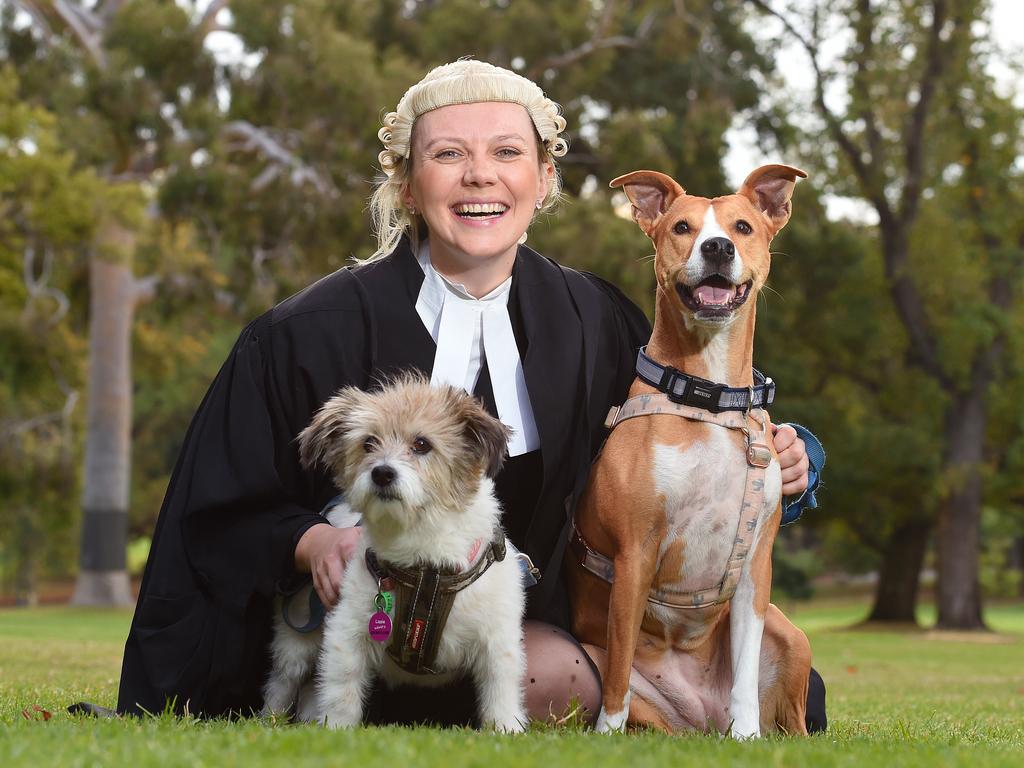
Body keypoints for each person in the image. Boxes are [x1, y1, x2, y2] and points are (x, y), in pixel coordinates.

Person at [116, 60, 823, 727]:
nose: (480, 175)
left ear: (544, 179)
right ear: (406, 184)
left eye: (508, 153)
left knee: (569, 675)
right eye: (448, 154)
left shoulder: (598, 322)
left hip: (524, 635)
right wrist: (311, 541)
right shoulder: (304, 333)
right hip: (354, 624)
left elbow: (683, 456)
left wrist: (799, 460)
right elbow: (215, 509)